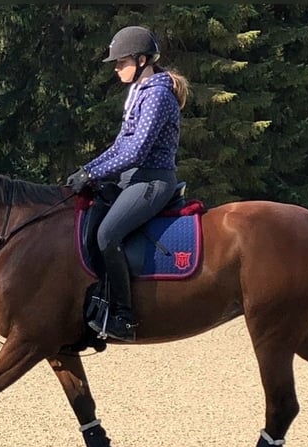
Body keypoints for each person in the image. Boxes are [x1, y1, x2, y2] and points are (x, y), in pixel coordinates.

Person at [67, 25, 189, 342]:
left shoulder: (158, 96)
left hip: (153, 180)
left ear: (142, 59)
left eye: (121, 62)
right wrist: (87, 170)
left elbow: (136, 152)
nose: (117, 68)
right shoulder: (138, 94)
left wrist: (93, 174)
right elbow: (119, 146)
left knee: (108, 234)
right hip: (132, 179)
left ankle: (124, 316)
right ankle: (98, 300)